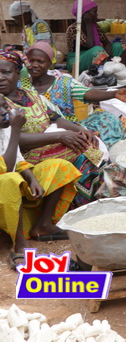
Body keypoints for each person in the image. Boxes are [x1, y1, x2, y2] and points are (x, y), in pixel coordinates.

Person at [0, 49, 105, 208]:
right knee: (82, 150)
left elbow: (55, 119)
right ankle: (79, 204)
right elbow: (13, 139)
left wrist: (81, 130)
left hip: (45, 144)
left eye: (6, 72)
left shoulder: (29, 94)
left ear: (17, 72)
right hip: (22, 157)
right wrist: (60, 137)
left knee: (88, 143)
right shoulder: (2, 104)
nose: (0, 78)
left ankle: (87, 200)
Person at [0, 95, 81, 269]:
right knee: (10, 179)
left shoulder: (5, 128)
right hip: (5, 185)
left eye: (5, 107)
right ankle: (19, 243)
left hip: (11, 182)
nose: (4, 113)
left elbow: (18, 160)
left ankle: (43, 225)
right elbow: (5, 167)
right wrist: (15, 130)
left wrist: (32, 178)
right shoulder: (11, 129)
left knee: (60, 166)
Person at [22, 42, 126, 146]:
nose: (35, 65)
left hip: (69, 130)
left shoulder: (63, 82)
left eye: (40, 61)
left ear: (49, 63)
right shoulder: (21, 86)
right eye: (31, 61)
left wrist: (114, 94)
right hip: (36, 135)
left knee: (106, 119)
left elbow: (87, 93)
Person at [65, 0, 124, 73]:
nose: (97, 15)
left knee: (118, 46)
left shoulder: (95, 27)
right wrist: (88, 23)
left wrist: (109, 56)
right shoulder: (73, 29)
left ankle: (118, 70)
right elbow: (90, 45)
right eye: (95, 12)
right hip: (76, 60)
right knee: (98, 50)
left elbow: (107, 43)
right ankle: (100, 73)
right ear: (85, 14)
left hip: (94, 54)